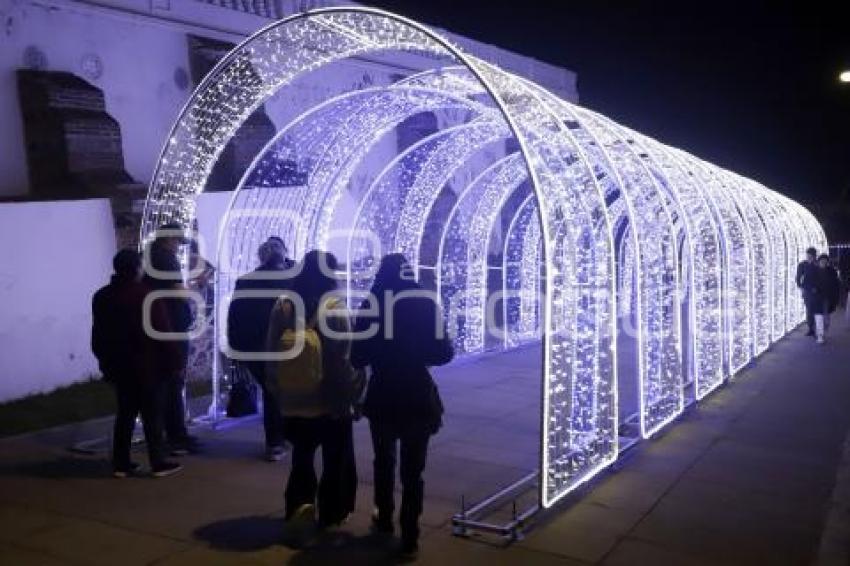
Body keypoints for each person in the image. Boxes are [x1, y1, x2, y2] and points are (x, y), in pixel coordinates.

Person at [351, 253, 454, 557]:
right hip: (416, 394)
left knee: (383, 461)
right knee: (413, 471)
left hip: (383, 394)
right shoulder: (424, 303)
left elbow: (358, 357)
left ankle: (384, 518)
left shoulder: (372, 304)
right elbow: (443, 354)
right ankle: (410, 534)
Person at [265, 250, 364, 532]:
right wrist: (354, 392)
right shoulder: (335, 307)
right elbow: (345, 357)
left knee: (301, 457)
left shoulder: (283, 305)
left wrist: (278, 390)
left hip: (295, 400)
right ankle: (332, 512)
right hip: (330, 399)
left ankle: (297, 507)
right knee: (335, 460)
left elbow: (272, 350)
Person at [91, 249, 183, 478]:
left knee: (125, 414)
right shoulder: (145, 296)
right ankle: (158, 461)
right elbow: (162, 332)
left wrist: (104, 361)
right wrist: (175, 363)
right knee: (153, 414)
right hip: (148, 365)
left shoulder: (102, 296)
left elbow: (99, 333)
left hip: (119, 366)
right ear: (136, 269)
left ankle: (121, 463)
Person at [227, 237, 296, 461]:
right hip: (283, 346)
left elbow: (235, 317)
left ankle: (277, 441)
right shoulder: (291, 282)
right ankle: (279, 440)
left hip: (253, 347)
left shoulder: (245, 281)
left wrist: (235, 346)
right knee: (279, 391)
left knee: (272, 391)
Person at [143, 222, 199, 455]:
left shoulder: (150, 257)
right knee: (174, 379)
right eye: (177, 242)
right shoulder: (165, 259)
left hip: (162, 325)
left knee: (168, 381)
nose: (178, 247)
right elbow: (177, 290)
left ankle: (172, 433)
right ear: (169, 239)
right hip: (172, 327)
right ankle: (176, 436)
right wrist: (195, 288)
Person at [813, 254, 840, 344]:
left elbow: (836, 284)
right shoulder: (814, 271)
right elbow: (808, 281)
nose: (823, 262)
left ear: (827, 262)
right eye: (822, 261)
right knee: (818, 316)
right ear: (819, 261)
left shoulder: (832, 271)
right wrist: (812, 289)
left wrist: (836, 296)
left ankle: (824, 329)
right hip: (817, 297)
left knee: (826, 317)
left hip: (828, 297)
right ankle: (820, 335)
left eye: (825, 261)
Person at [796, 247, 819, 337]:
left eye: (812, 256)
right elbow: (798, 277)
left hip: (817, 291)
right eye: (808, 255)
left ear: (814, 256)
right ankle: (811, 328)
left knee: (816, 310)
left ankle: (817, 328)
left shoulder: (817, 265)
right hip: (807, 291)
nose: (810, 257)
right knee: (809, 309)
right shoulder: (802, 265)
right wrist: (801, 287)